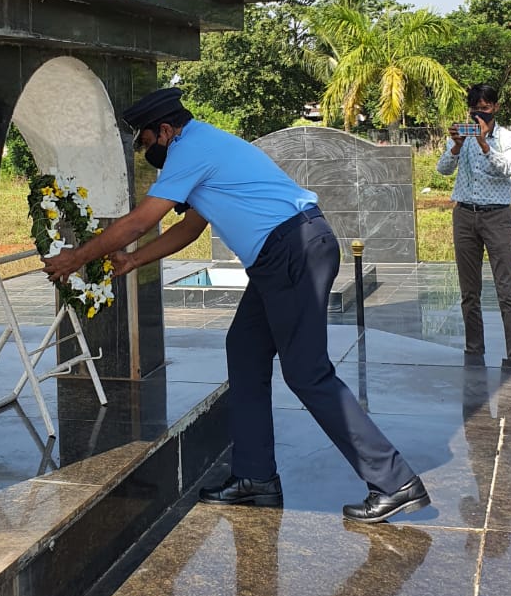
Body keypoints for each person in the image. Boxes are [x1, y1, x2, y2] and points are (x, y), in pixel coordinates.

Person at [43, 87, 430, 524]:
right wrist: (133, 259)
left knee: (307, 372)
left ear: (167, 130)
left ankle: (394, 481)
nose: (149, 152)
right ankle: (255, 477)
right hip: (281, 255)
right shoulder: (203, 146)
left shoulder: (191, 149)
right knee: (244, 350)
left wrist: (78, 257)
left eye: (149, 142)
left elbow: (139, 220)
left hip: (292, 250)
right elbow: (190, 227)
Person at [436, 83, 511, 367]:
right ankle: (474, 350)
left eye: (485, 109)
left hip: (497, 216)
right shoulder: (463, 135)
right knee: (468, 290)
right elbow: (443, 170)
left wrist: (485, 144)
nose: (479, 115)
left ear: (496, 107)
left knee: (506, 288)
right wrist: (457, 146)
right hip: (464, 215)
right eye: (475, 109)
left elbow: (508, 169)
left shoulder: (510, 137)